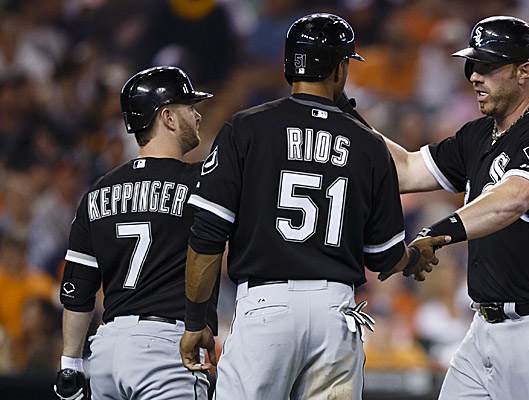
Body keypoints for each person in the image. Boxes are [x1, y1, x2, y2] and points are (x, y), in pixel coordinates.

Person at [178, 13, 448, 400]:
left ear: (290, 65)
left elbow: (206, 235)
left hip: (265, 307)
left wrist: (196, 319)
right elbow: (385, 256)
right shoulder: (368, 142)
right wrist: (413, 256)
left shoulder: (246, 127)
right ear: (340, 69)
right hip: (334, 312)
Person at [381, 16, 529, 399]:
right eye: (473, 65)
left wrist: (438, 231)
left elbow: (512, 199)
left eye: (488, 65)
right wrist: (345, 123)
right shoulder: (479, 134)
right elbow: (403, 170)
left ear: (525, 71)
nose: (475, 76)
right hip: (482, 329)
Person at [54, 66, 217, 400]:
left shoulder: (98, 191)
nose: (197, 115)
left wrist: (70, 363)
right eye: (189, 107)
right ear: (168, 117)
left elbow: (77, 288)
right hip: (167, 348)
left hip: (107, 351)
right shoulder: (202, 183)